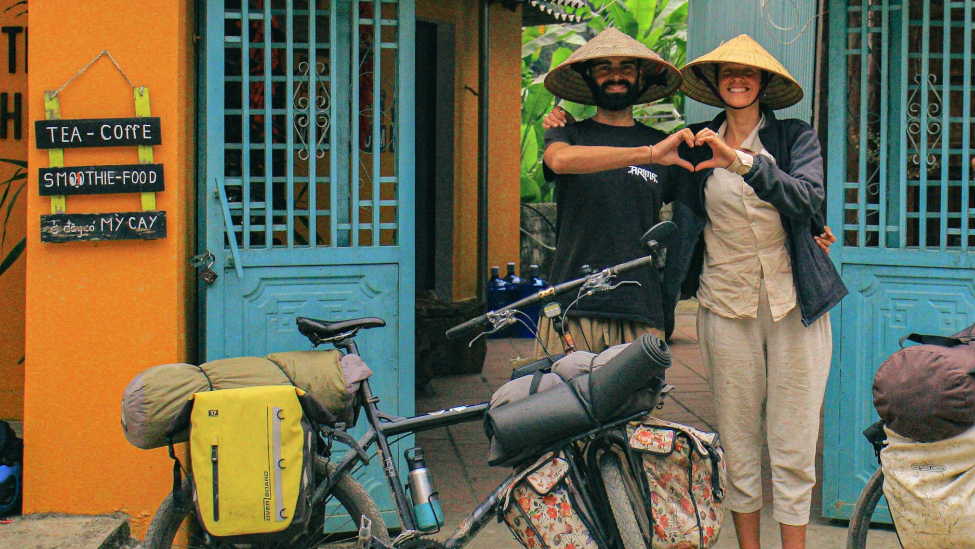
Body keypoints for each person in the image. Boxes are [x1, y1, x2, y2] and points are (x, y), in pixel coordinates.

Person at [534, 27, 698, 358]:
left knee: (637, 409)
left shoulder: (666, 147)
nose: (615, 76)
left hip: (639, 306)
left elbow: (711, 209)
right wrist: (647, 154)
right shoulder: (568, 134)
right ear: (589, 76)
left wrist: (810, 229)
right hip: (571, 305)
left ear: (642, 77)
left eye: (626, 67)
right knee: (559, 406)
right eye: (604, 67)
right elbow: (560, 161)